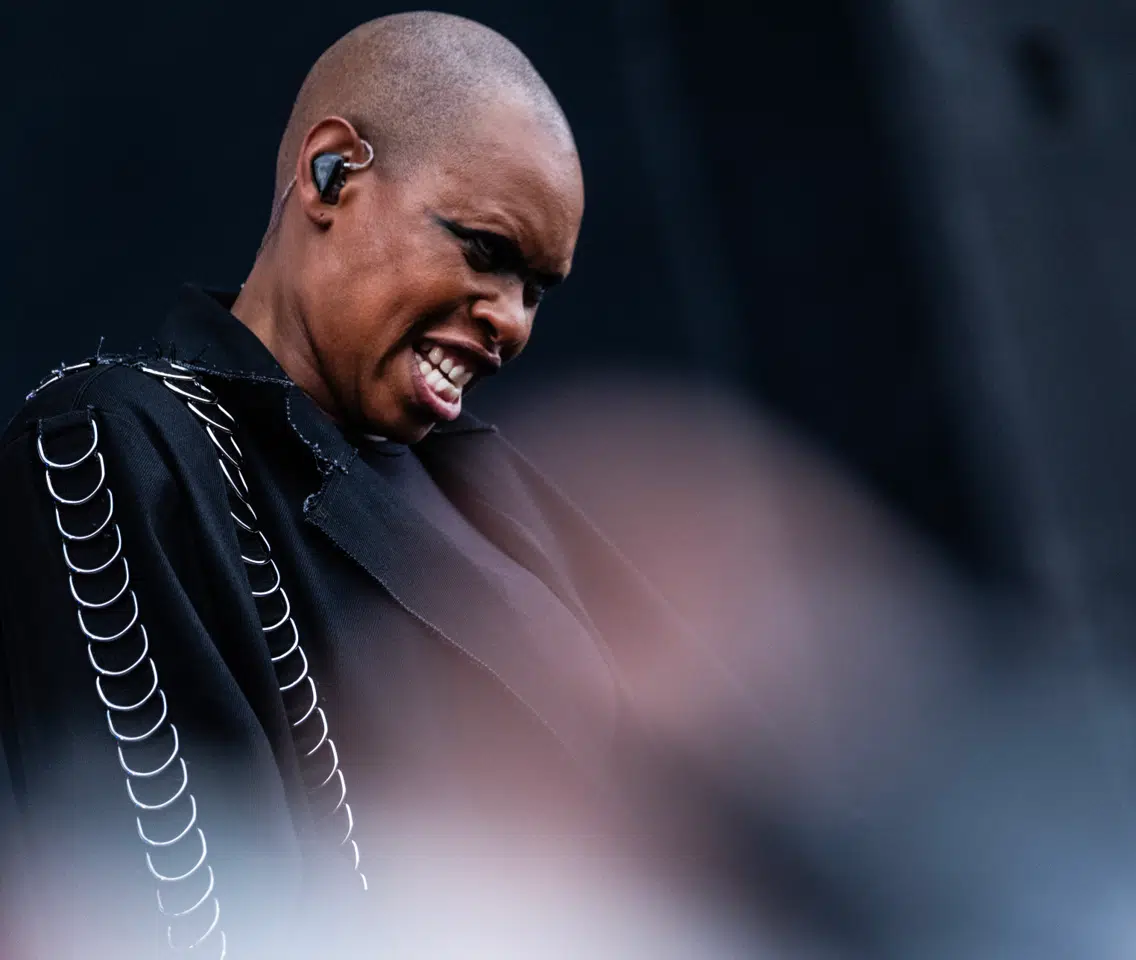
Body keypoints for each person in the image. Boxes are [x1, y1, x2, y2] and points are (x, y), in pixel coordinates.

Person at [0, 12, 730, 957]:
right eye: (487, 251)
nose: (512, 323)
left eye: (536, 289)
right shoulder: (118, 448)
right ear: (331, 173)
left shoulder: (497, 491)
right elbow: (172, 917)